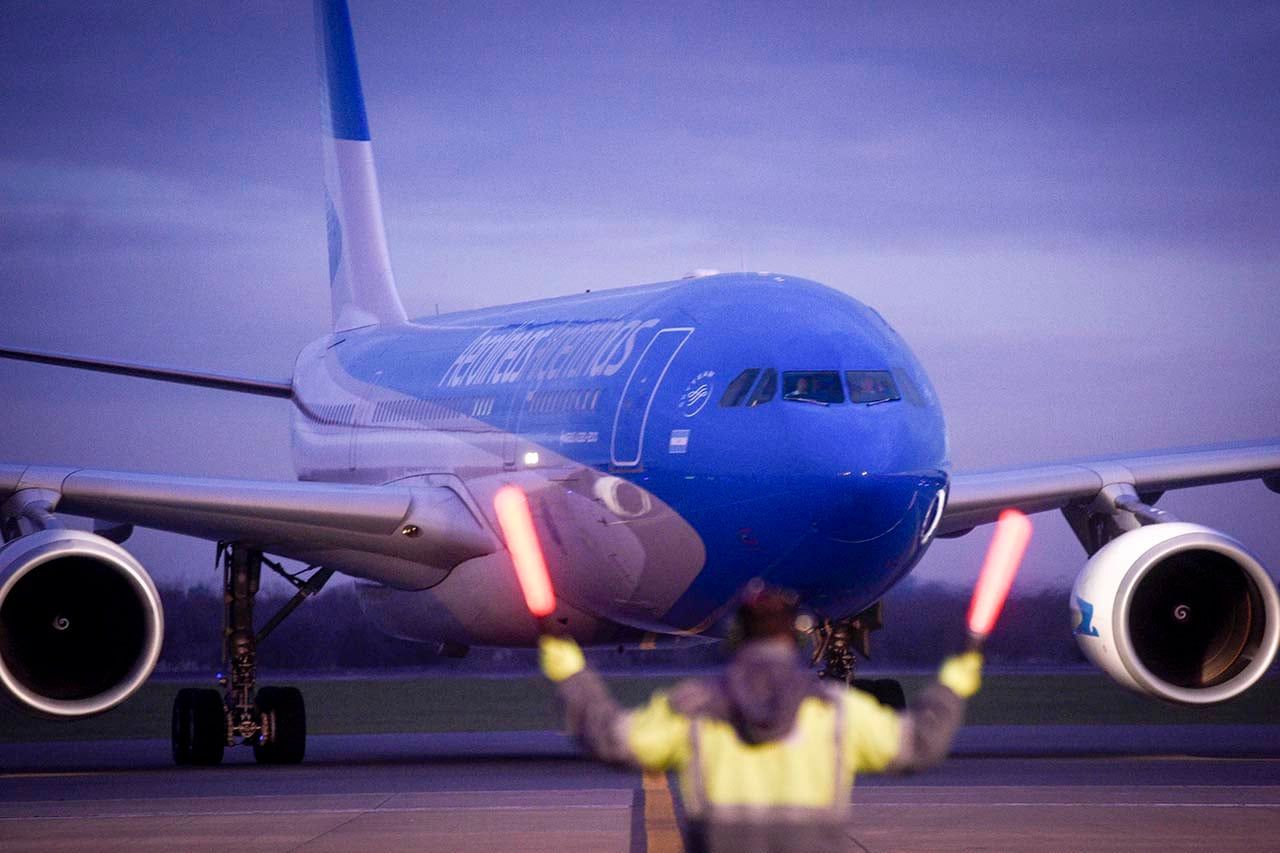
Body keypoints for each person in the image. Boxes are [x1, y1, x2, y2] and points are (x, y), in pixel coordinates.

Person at [539, 583, 982, 853]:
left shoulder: (694, 707)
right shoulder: (835, 710)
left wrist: (569, 672)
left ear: (736, 638)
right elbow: (921, 744)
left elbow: (609, 737)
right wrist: (954, 684)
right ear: (796, 640)